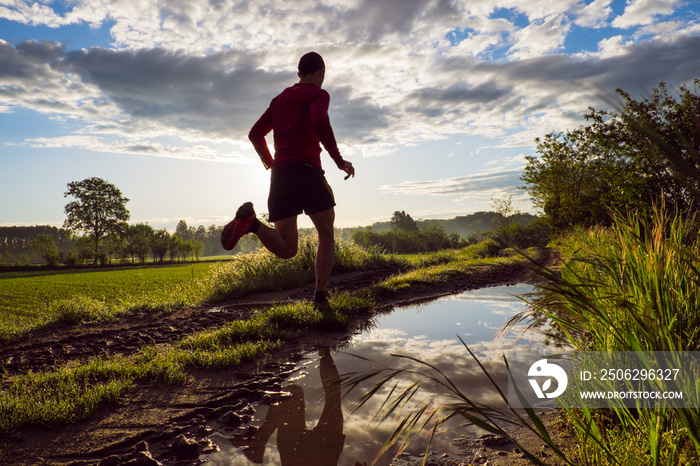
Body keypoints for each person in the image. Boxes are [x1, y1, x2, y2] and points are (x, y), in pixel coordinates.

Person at [221, 51, 355, 311]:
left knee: (287, 249)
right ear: (321, 72)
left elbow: (255, 133)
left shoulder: (279, 99)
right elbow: (319, 119)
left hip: (280, 176)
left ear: (298, 74)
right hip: (307, 171)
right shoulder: (318, 94)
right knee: (326, 235)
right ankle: (320, 297)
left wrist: (270, 163)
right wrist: (339, 160)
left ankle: (252, 224)